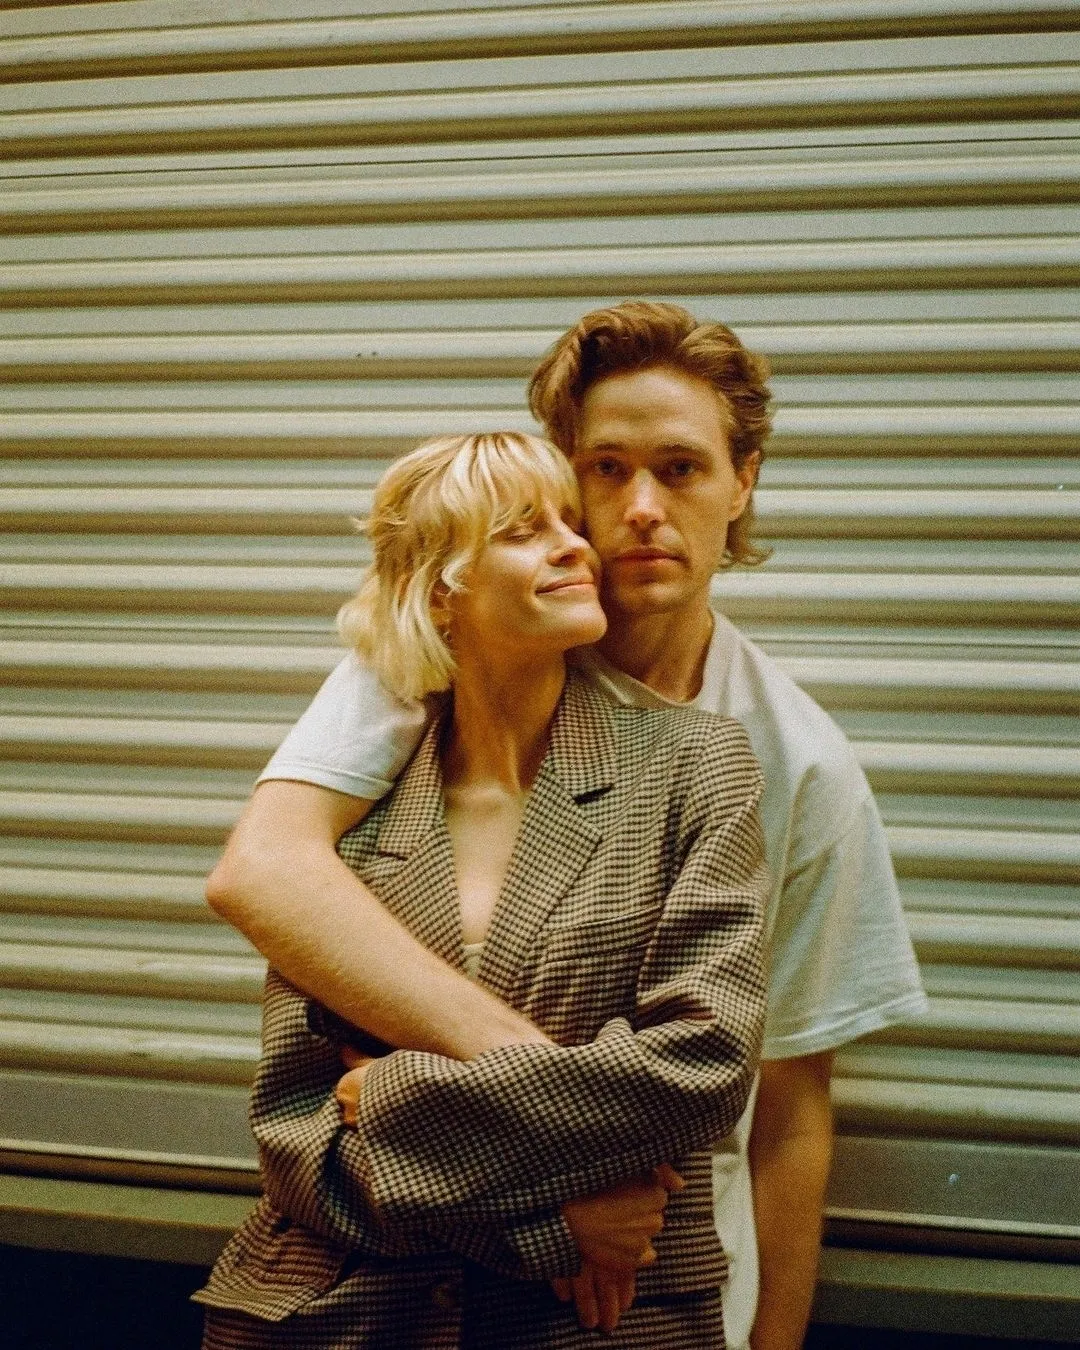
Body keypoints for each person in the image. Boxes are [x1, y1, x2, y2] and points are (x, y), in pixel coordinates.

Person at [207, 302, 928, 1350]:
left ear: (742, 482)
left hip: (639, 1289)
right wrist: (553, 1136)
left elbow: (788, 1100)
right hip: (386, 1293)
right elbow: (265, 874)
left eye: (680, 469)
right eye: (607, 469)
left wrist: (773, 1341)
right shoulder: (436, 663)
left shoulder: (788, 758)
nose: (641, 508)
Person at [194, 430, 769, 1347]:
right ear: (440, 592)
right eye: (522, 529)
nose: (577, 546)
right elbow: (295, 1133)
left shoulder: (695, 767)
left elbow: (701, 1066)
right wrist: (549, 1224)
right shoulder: (352, 815)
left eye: (568, 523)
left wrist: (396, 1094)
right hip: (348, 1318)